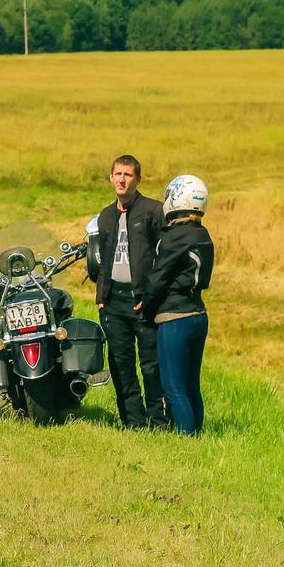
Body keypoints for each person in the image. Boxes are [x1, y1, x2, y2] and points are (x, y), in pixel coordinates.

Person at [87, 154, 169, 429]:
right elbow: (100, 260)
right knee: (121, 365)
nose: (122, 180)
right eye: (117, 174)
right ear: (111, 178)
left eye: (128, 175)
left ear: (138, 179)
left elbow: (165, 258)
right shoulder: (106, 216)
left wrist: (152, 295)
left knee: (151, 365)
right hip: (113, 302)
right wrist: (101, 299)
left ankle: (158, 422)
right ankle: (133, 423)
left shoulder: (153, 211)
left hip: (143, 301)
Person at [142, 175, 214, 436]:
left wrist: (145, 307)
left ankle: (187, 441)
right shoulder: (202, 234)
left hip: (175, 318)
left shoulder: (174, 236)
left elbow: (157, 278)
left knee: (173, 388)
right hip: (199, 314)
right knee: (192, 385)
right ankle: (198, 434)